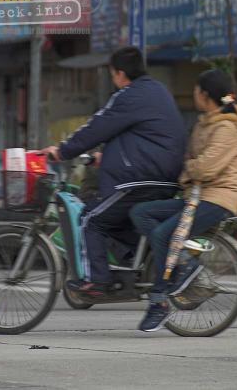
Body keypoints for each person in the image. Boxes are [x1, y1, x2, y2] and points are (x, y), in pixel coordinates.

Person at [40, 46, 186, 297]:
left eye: (112, 75)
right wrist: (106, 156)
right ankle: (131, 266)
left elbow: (98, 127)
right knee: (116, 219)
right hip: (166, 177)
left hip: (139, 179)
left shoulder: (129, 95)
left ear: (119, 73)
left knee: (90, 219)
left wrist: (62, 151)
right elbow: (143, 136)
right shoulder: (158, 91)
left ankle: (97, 282)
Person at [130, 69, 237, 332]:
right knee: (140, 212)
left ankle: (160, 302)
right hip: (197, 196)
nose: (193, 94)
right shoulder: (207, 123)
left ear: (205, 95)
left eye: (196, 90)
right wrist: (191, 168)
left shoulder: (227, 127)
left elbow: (204, 168)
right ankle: (183, 264)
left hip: (218, 199)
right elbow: (193, 161)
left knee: (161, 234)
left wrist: (189, 168)